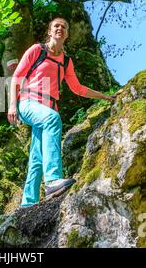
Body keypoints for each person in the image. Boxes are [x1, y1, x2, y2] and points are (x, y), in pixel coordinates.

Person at [8, 17, 116, 208]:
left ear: (66, 34)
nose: (60, 28)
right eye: (56, 26)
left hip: (48, 107)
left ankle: (27, 204)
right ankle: (52, 181)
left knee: (36, 157)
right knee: (52, 119)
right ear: (49, 31)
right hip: (28, 103)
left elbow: (78, 89)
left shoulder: (66, 61)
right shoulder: (37, 50)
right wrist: (12, 106)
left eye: (64, 27)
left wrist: (106, 97)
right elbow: (17, 76)